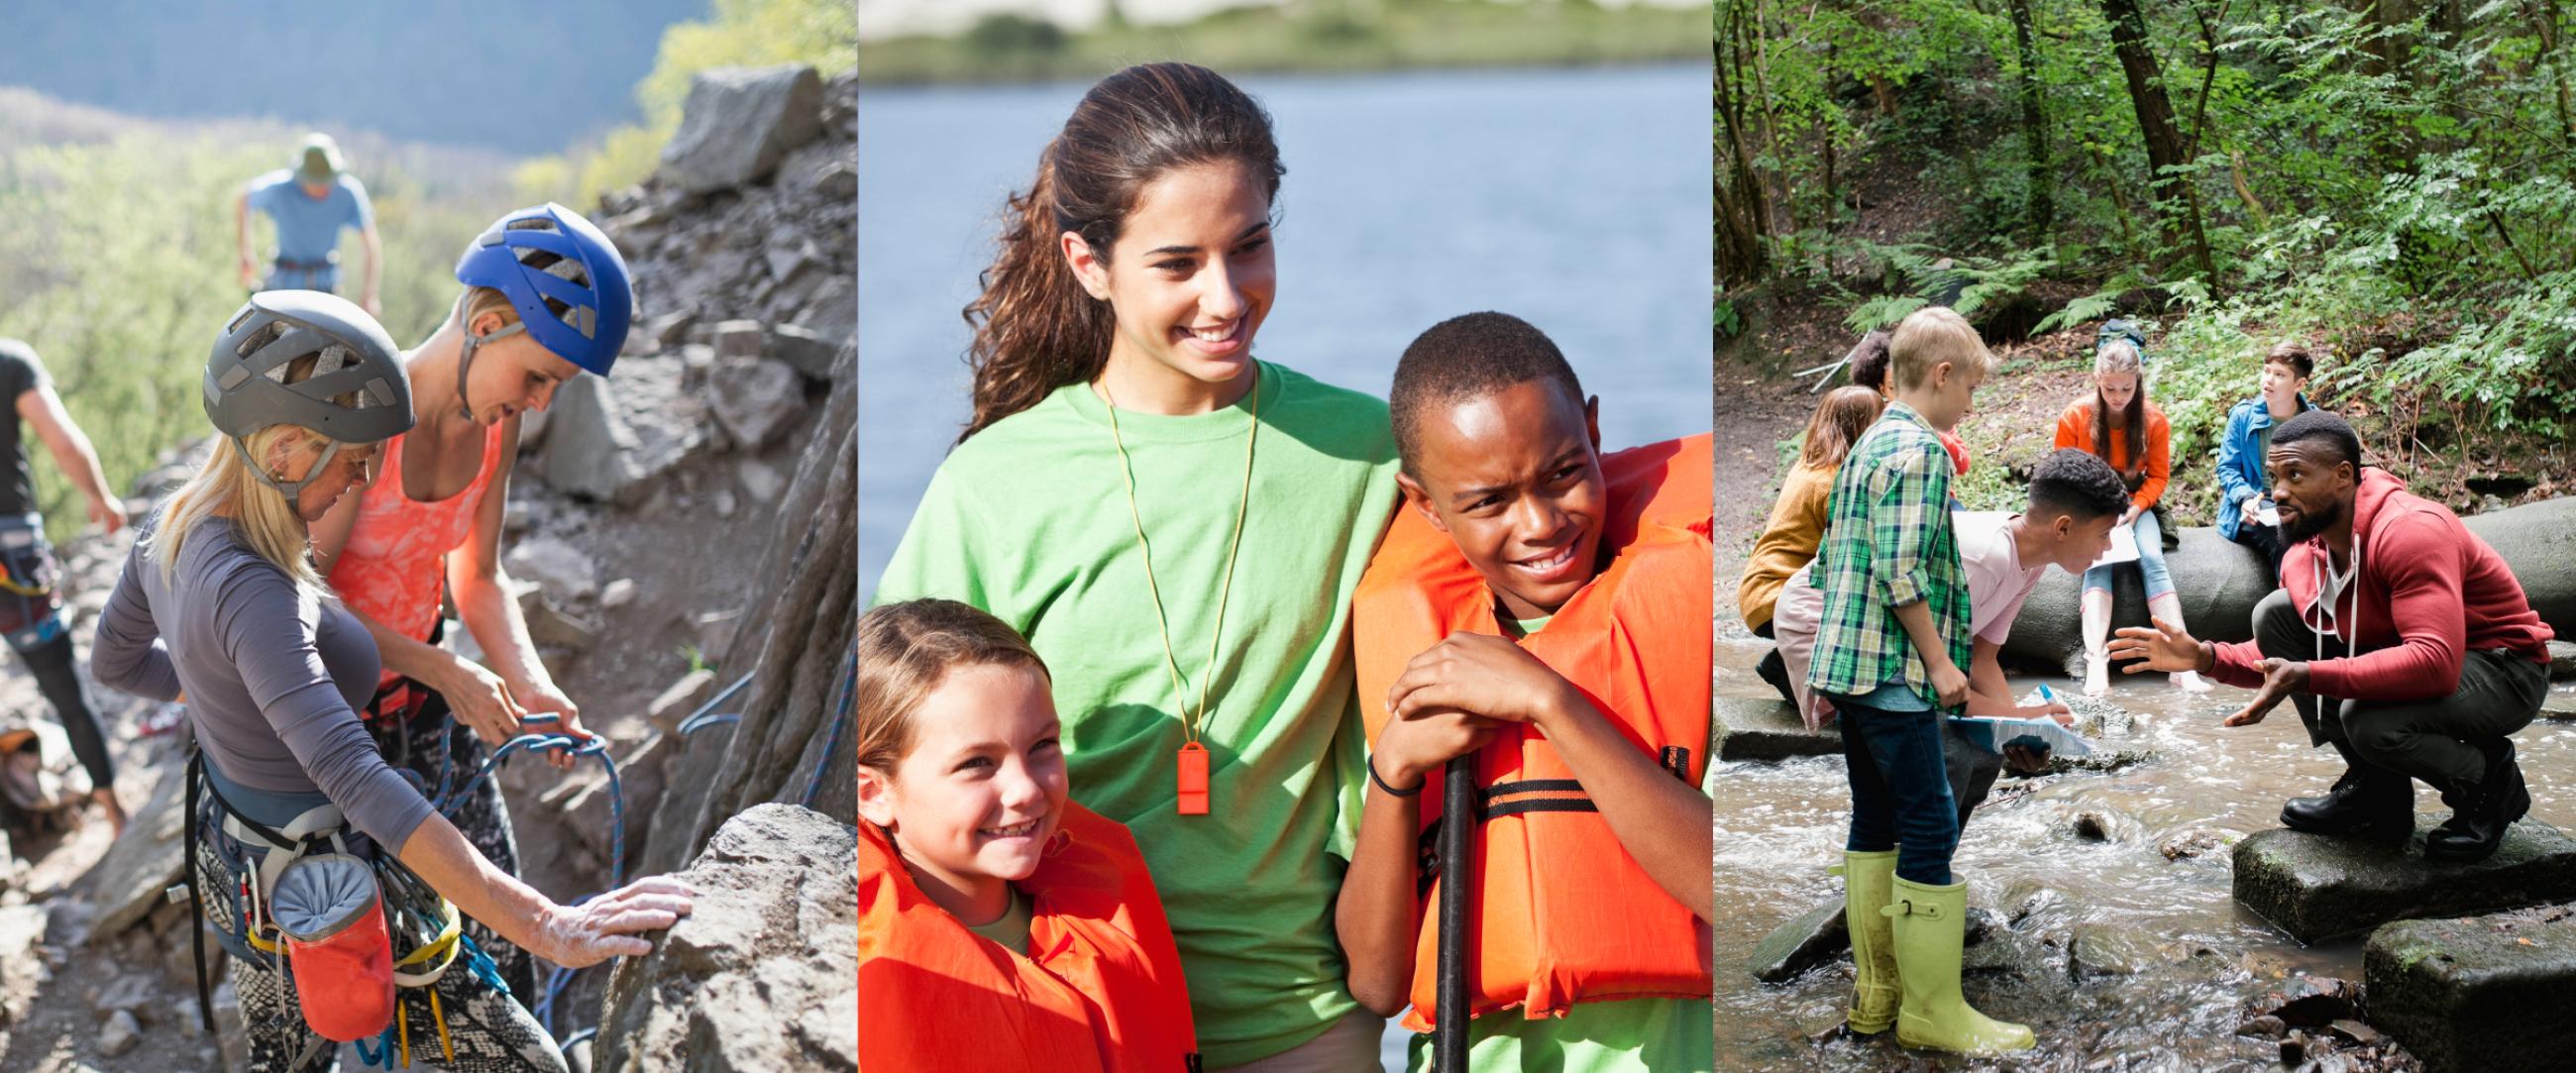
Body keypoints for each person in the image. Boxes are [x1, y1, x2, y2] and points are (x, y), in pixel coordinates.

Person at [872, 62, 1402, 1070]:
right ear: (1088, 262)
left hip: (1299, 1019)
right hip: (1063, 1020)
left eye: (1249, 246)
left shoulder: (1370, 453)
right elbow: (887, 751)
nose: (1224, 296)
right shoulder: (995, 482)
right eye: (1177, 264)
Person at [89, 290, 689, 1071]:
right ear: (284, 450)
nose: (365, 476)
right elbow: (357, 779)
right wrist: (546, 923)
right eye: (354, 458)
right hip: (327, 876)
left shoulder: (169, 528)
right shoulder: (256, 591)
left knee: (290, 1059)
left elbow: (116, 662)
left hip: (245, 861)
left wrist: (222, 694)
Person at [1342, 313, 1712, 1071]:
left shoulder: (1693, 613)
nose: (1540, 523)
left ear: (1594, 433)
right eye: (1489, 502)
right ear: (1425, 503)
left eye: (1563, 473)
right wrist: (1394, 771)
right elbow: (1376, 982)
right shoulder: (1407, 663)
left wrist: (1552, 700)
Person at [310, 201, 630, 1007]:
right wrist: (445, 668)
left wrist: (530, 681)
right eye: (537, 377)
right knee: (354, 979)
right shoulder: (362, 416)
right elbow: (300, 594)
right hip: (325, 724)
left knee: (500, 948)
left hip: (422, 707)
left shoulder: (496, 427)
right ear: (487, 324)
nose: (540, 403)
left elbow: (478, 577)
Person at [2110, 410, 2552, 863]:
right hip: (2421, 657)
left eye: (2296, 475)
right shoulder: (2307, 549)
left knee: (2368, 720)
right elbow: (2280, 653)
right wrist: (2204, 657)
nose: (2279, 492)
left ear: (2343, 476)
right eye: (2274, 477)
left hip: (2505, 668)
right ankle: (2378, 791)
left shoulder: (2410, 530)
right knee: (2275, 615)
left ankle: (2488, 781)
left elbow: (2434, 663)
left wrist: (2309, 674)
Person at [1805, 305, 2030, 1055]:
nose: (1970, 403)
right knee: (1929, 824)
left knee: (1874, 821)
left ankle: (1878, 997)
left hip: (1850, 668)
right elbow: (1899, 570)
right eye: (1970, 388)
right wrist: (1940, 662)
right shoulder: (1922, 451)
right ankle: (1932, 1010)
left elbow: (1833, 561)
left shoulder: (1868, 442)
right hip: (1893, 672)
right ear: (1941, 375)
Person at [856, 598, 1197, 1073]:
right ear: (873, 794)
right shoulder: (861, 972)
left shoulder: (1106, 908)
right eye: (977, 763)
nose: (1027, 790)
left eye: (1043, 746)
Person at [1772, 449, 2127, 825]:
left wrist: (2020, 732)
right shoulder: (1985, 558)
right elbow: (1928, 675)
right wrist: (2017, 717)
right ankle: (1914, 852)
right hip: (1825, 622)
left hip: (1902, 644)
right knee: (1947, 756)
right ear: (2063, 528)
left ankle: (1928, 854)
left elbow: (1982, 658)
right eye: (2104, 535)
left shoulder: (2030, 565)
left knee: (1986, 753)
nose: (2108, 548)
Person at [0, 338, 130, 833]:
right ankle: (113, 811)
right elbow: (64, 443)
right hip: (13, 561)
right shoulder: (10, 362)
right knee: (66, 695)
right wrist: (100, 496)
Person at [2056, 332, 2210, 696]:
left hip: (2135, 506)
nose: (2118, 397)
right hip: (2090, 506)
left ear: (2137, 382)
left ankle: (2181, 661)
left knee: (2152, 558)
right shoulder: (2076, 415)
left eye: (2126, 389)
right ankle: (2096, 660)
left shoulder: (2153, 420)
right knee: (2099, 562)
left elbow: (2158, 477)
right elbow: (2061, 470)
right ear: (2098, 380)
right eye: (2110, 389)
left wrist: (2138, 508)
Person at [1739, 384, 1882, 705]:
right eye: (1879, 422)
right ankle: (1789, 667)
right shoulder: (1834, 484)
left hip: (1759, 591)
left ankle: (1787, 661)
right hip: (1777, 594)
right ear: (1860, 427)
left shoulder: (1811, 466)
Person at [236, 133, 381, 315]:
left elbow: (370, 244)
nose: (321, 187)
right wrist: (245, 253)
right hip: (283, 287)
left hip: (326, 288)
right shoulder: (281, 188)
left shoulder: (348, 192)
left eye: (326, 180)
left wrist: (369, 293)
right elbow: (243, 198)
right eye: (315, 182)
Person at [2215, 342, 2318, 580]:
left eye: (2280, 375)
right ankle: (2291, 598)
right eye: (2267, 371)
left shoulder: (2313, 422)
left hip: (2298, 504)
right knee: (2285, 541)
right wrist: (2245, 498)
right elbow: (2227, 468)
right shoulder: (2243, 416)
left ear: (2300, 384)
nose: (2268, 380)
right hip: (2255, 505)